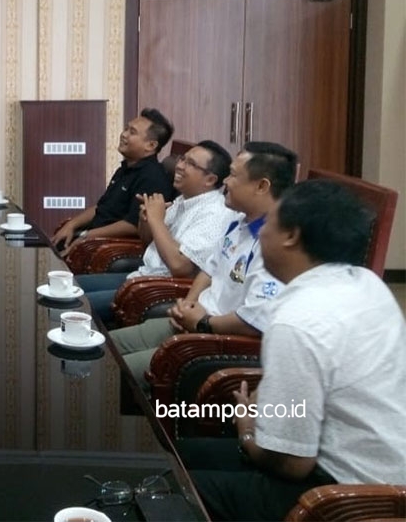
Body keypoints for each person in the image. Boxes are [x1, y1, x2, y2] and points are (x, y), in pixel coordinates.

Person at [178, 180, 406, 521]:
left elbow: (292, 464)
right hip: (387, 472)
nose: (260, 232)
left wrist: (247, 430)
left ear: (291, 235)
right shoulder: (367, 283)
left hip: (342, 497)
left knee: (171, 489)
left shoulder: (298, 320)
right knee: (177, 455)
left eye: (268, 222)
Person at [110, 141, 297, 386]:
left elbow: (253, 320)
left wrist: (202, 322)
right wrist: (188, 305)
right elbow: (209, 270)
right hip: (192, 321)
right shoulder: (237, 222)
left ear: (261, 186)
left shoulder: (276, 245)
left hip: (215, 339)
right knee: (101, 346)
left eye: (233, 175)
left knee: (110, 375)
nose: (226, 182)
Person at [79, 140, 235, 324]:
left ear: (210, 179)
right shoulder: (183, 201)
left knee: (74, 304)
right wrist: (146, 220)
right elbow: (149, 244)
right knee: (71, 285)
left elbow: (180, 267)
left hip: (157, 289)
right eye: (182, 159)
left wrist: (156, 220)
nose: (179, 166)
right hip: (142, 276)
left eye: (190, 164)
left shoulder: (215, 213)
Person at [51, 108, 176, 258]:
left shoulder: (152, 177)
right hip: (93, 236)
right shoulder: (125, 168)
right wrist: (71, 225)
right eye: (126, 129)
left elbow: (132, 225)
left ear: (150, 145)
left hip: (109, 246)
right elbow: (102, 207)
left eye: (132, 132)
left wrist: (86, 236)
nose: (124, 134)